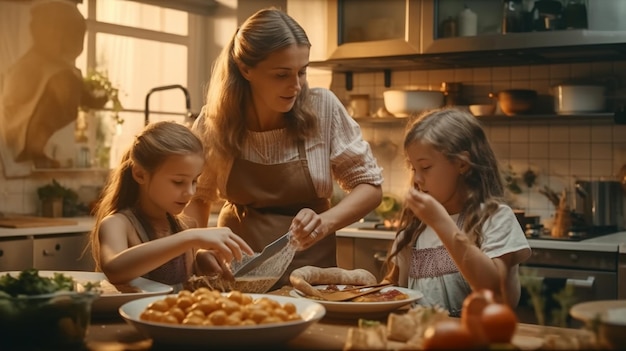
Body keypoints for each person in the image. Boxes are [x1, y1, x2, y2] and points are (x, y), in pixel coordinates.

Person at [184, 7, 384, 288]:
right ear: (245, 69)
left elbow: (370, 187)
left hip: (314, 280)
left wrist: (325, 222)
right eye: (282, 75)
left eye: (302, 72)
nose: (296, 86)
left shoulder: (323, 108)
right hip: (236, 279)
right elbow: (196, 198)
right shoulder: (214, 121)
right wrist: (196, 248)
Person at [382, 107, 531, 317]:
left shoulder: (495, 218)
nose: (417, 179)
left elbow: (495, 291)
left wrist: (441, 223)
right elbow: (393, 285)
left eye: (425, 167)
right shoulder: (416, 226)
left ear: (461, 164)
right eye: (413, 168)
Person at [88, 121, 253, 289]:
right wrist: (189, 238)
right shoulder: (117, 224)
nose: (190, 192)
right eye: (178, 181)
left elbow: (181, 281)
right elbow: (114, 269)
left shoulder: (186, 226)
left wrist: (199, 262)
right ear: (140, 174)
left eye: (195, 181)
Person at [0, 0, 105, 172]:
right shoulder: (38, 67)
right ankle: (35, 148)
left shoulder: (57, 67)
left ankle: (36, 149)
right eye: (66, 32)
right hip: (17, 134)